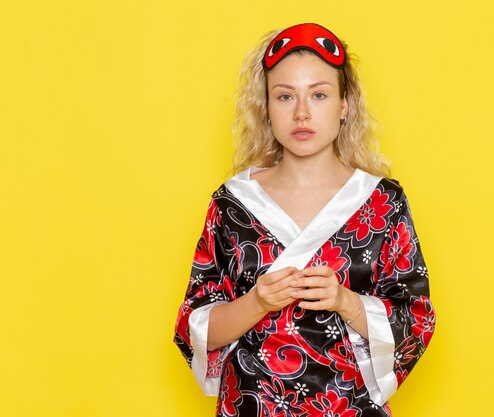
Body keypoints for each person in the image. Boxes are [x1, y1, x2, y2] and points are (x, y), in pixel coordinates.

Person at [173, 22, 436, 417]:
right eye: (284, 96)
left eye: (318, 94)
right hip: (251, 407)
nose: (301, 113)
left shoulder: (381, 203)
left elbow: (416, 322)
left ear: (344, 105)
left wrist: (345, 302)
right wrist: (257, 301)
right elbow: (194, 331)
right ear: (266, 106)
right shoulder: (233, 205)